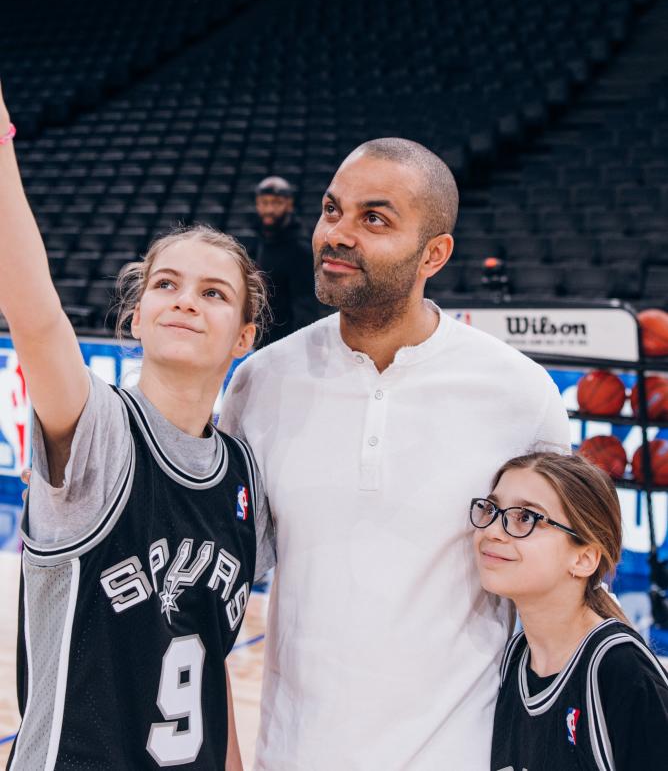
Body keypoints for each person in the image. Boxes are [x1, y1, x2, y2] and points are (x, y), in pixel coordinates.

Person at [220, 137, 572, 771]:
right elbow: (212, 587)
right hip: (293, 754)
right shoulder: (260, 383)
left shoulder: (520, 393)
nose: (339, 233)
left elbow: (555, 598)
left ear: (433, 254)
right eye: (333, 211)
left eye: (373, 218)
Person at [0, 83, 275, 770]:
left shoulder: (242, 477)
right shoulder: (98, 431)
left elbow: (211, 662)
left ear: (243, 336)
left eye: (213, 293)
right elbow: (34, 316)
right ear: (136, 316)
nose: (186, 301)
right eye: (166, 285)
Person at [470, 451, 668, 770]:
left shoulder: (620, 669)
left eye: (525, 517)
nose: (493, 530)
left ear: (584, 559)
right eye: (492, 510)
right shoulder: (514, 659)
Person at [243, 175, 319, 345]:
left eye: (276, 203)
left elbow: (305, 305)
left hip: (284, 343)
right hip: (258, 338)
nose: (269, 209)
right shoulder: (257, 240)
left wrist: (298, 346)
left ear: (289, 204)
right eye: (264, 202)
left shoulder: (300, 248)